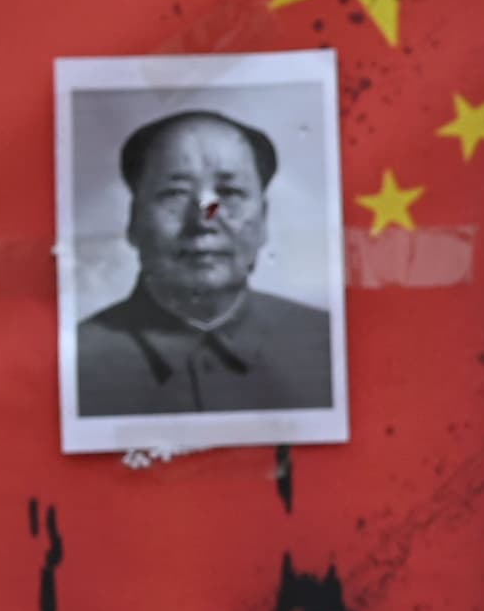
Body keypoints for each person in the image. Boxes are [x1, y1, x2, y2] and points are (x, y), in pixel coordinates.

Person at [75, 108, 335, 417]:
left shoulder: (328, 345)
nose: (204, 219)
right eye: (175, 193)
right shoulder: (75, 359)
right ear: (133, 221)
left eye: (230, 193)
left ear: (264, 220)